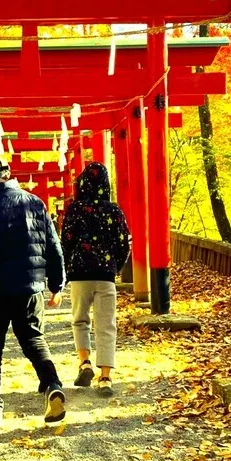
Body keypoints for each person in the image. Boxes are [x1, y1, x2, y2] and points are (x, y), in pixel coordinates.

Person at [0, 153, 67, 426]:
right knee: (34, 341)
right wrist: (56, 285)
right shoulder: (36, 203)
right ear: (8, 175)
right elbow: (53, 247)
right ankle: (52, 384)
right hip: (30, 290)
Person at [61, 161, 130, 396]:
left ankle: (85, 362)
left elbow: (66, 241)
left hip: (80, 275)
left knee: (80, 320)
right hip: (105, 275)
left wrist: (68, 268)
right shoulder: (114, 211)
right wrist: (115, 267)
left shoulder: (74, 209)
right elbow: (124, 244)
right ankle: (106, 377)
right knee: (106, 325)